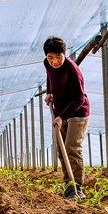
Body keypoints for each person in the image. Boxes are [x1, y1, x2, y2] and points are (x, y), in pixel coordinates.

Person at [43, 36, 90, 199]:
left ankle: (78, 188)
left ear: (64, 54)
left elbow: (79, 98)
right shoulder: (47, 64)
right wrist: (49, 92)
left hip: (77, 111)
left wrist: (62, 116)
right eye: (50, 57)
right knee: (61, 151)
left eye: (58, 57)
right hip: (61, 111)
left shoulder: (72, 70)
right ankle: (68, 186)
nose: (54, 62)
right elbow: (49, 76)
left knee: (71, 147)